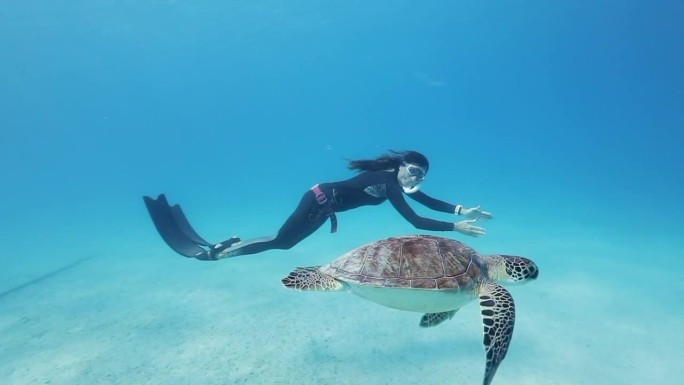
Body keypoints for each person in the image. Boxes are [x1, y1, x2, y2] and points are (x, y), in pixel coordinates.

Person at [143, 150, 493, 261]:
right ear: (401, 166)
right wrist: (454, 228)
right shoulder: (388, 181)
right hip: (319, 201)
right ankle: (220, 252)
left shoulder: (394, 183)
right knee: (283, 242)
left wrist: (462, 210)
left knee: (283, 240)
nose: (415, 179)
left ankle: (230, 245)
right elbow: (416, 219)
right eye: (413, 171)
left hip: (321, 204)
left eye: (421, 175)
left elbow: (426, 199)